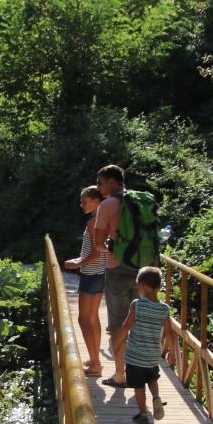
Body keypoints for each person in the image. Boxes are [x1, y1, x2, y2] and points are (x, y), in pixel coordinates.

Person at [91, 163, 138, 386]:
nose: (98, 187)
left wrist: (111, 247)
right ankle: (142, 373)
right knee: (139, 320)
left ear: (112, 181)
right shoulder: (141, 200)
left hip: (118, 270)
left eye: (100, 183)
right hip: (143, 269)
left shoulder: (107, 205)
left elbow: (98, 242)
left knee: (118, 323)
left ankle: (121, 374)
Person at [113, 265, 176, 424]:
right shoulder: (164, 309)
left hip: (135, 356)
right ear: (158, 286)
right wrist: (173, 352)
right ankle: (156, 397)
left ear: (142, 286)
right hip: (153, 355)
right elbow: (169, 333)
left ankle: (142, 413)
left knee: (138, 385)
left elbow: (126, 326)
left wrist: (118, 343)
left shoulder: (137, 305)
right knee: (152, 379)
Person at [64, 185, 106, 375]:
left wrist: (77, 263)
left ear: (96, 201)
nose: (82, 205)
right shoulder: (106, 220)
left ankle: (96, 364)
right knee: (93, 317)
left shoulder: (93, 223)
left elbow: (96, 253)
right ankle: (95, 358)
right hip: (102, 273)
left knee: (83, 319)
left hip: (91, 274)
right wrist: (80, 260)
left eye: (85, 201)